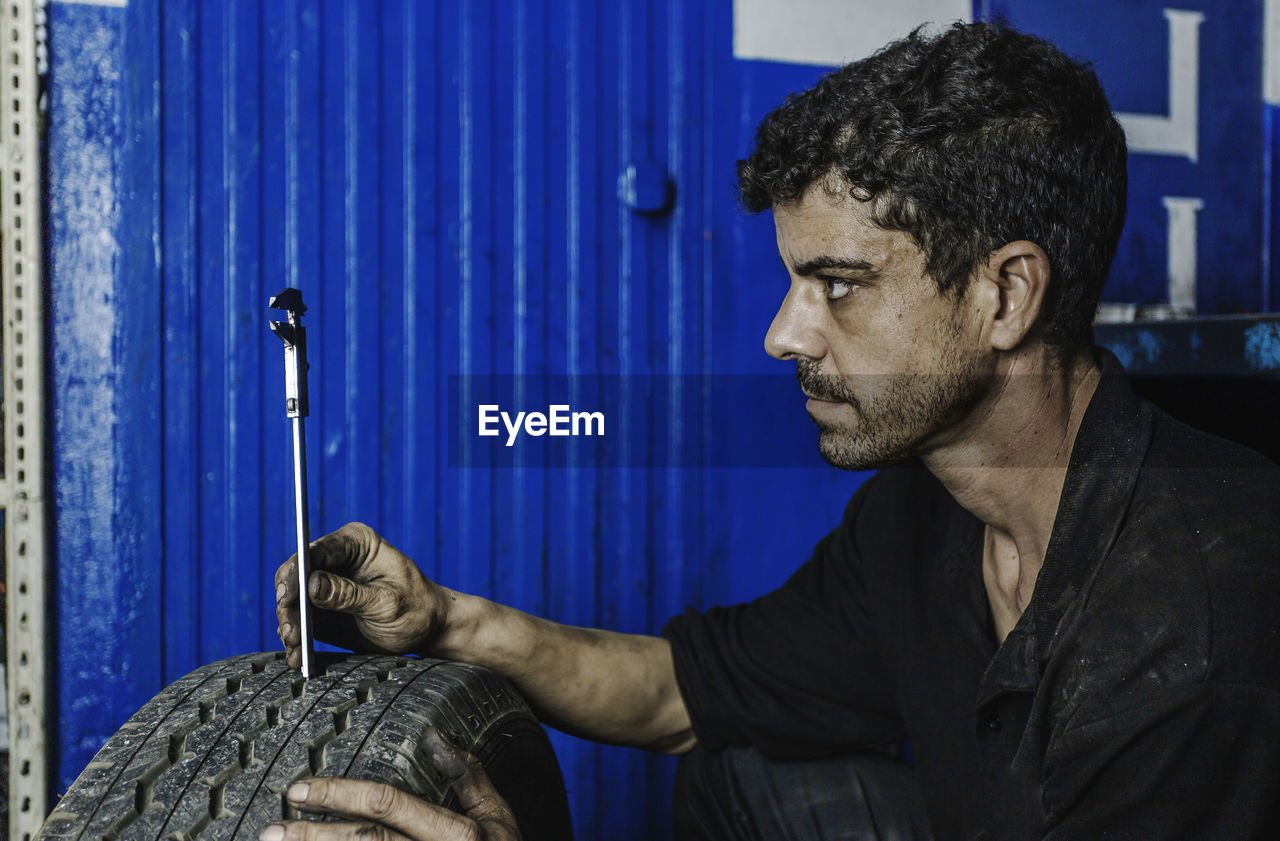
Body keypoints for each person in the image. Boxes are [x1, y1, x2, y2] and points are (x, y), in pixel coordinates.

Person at [263, 21, 1280, 841]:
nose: (782, 333)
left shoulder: (1189, 626)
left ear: (1003, 293)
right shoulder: (924, 515)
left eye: (838, 286)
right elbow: (688, 694)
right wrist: (446, 622)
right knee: (750, 766)